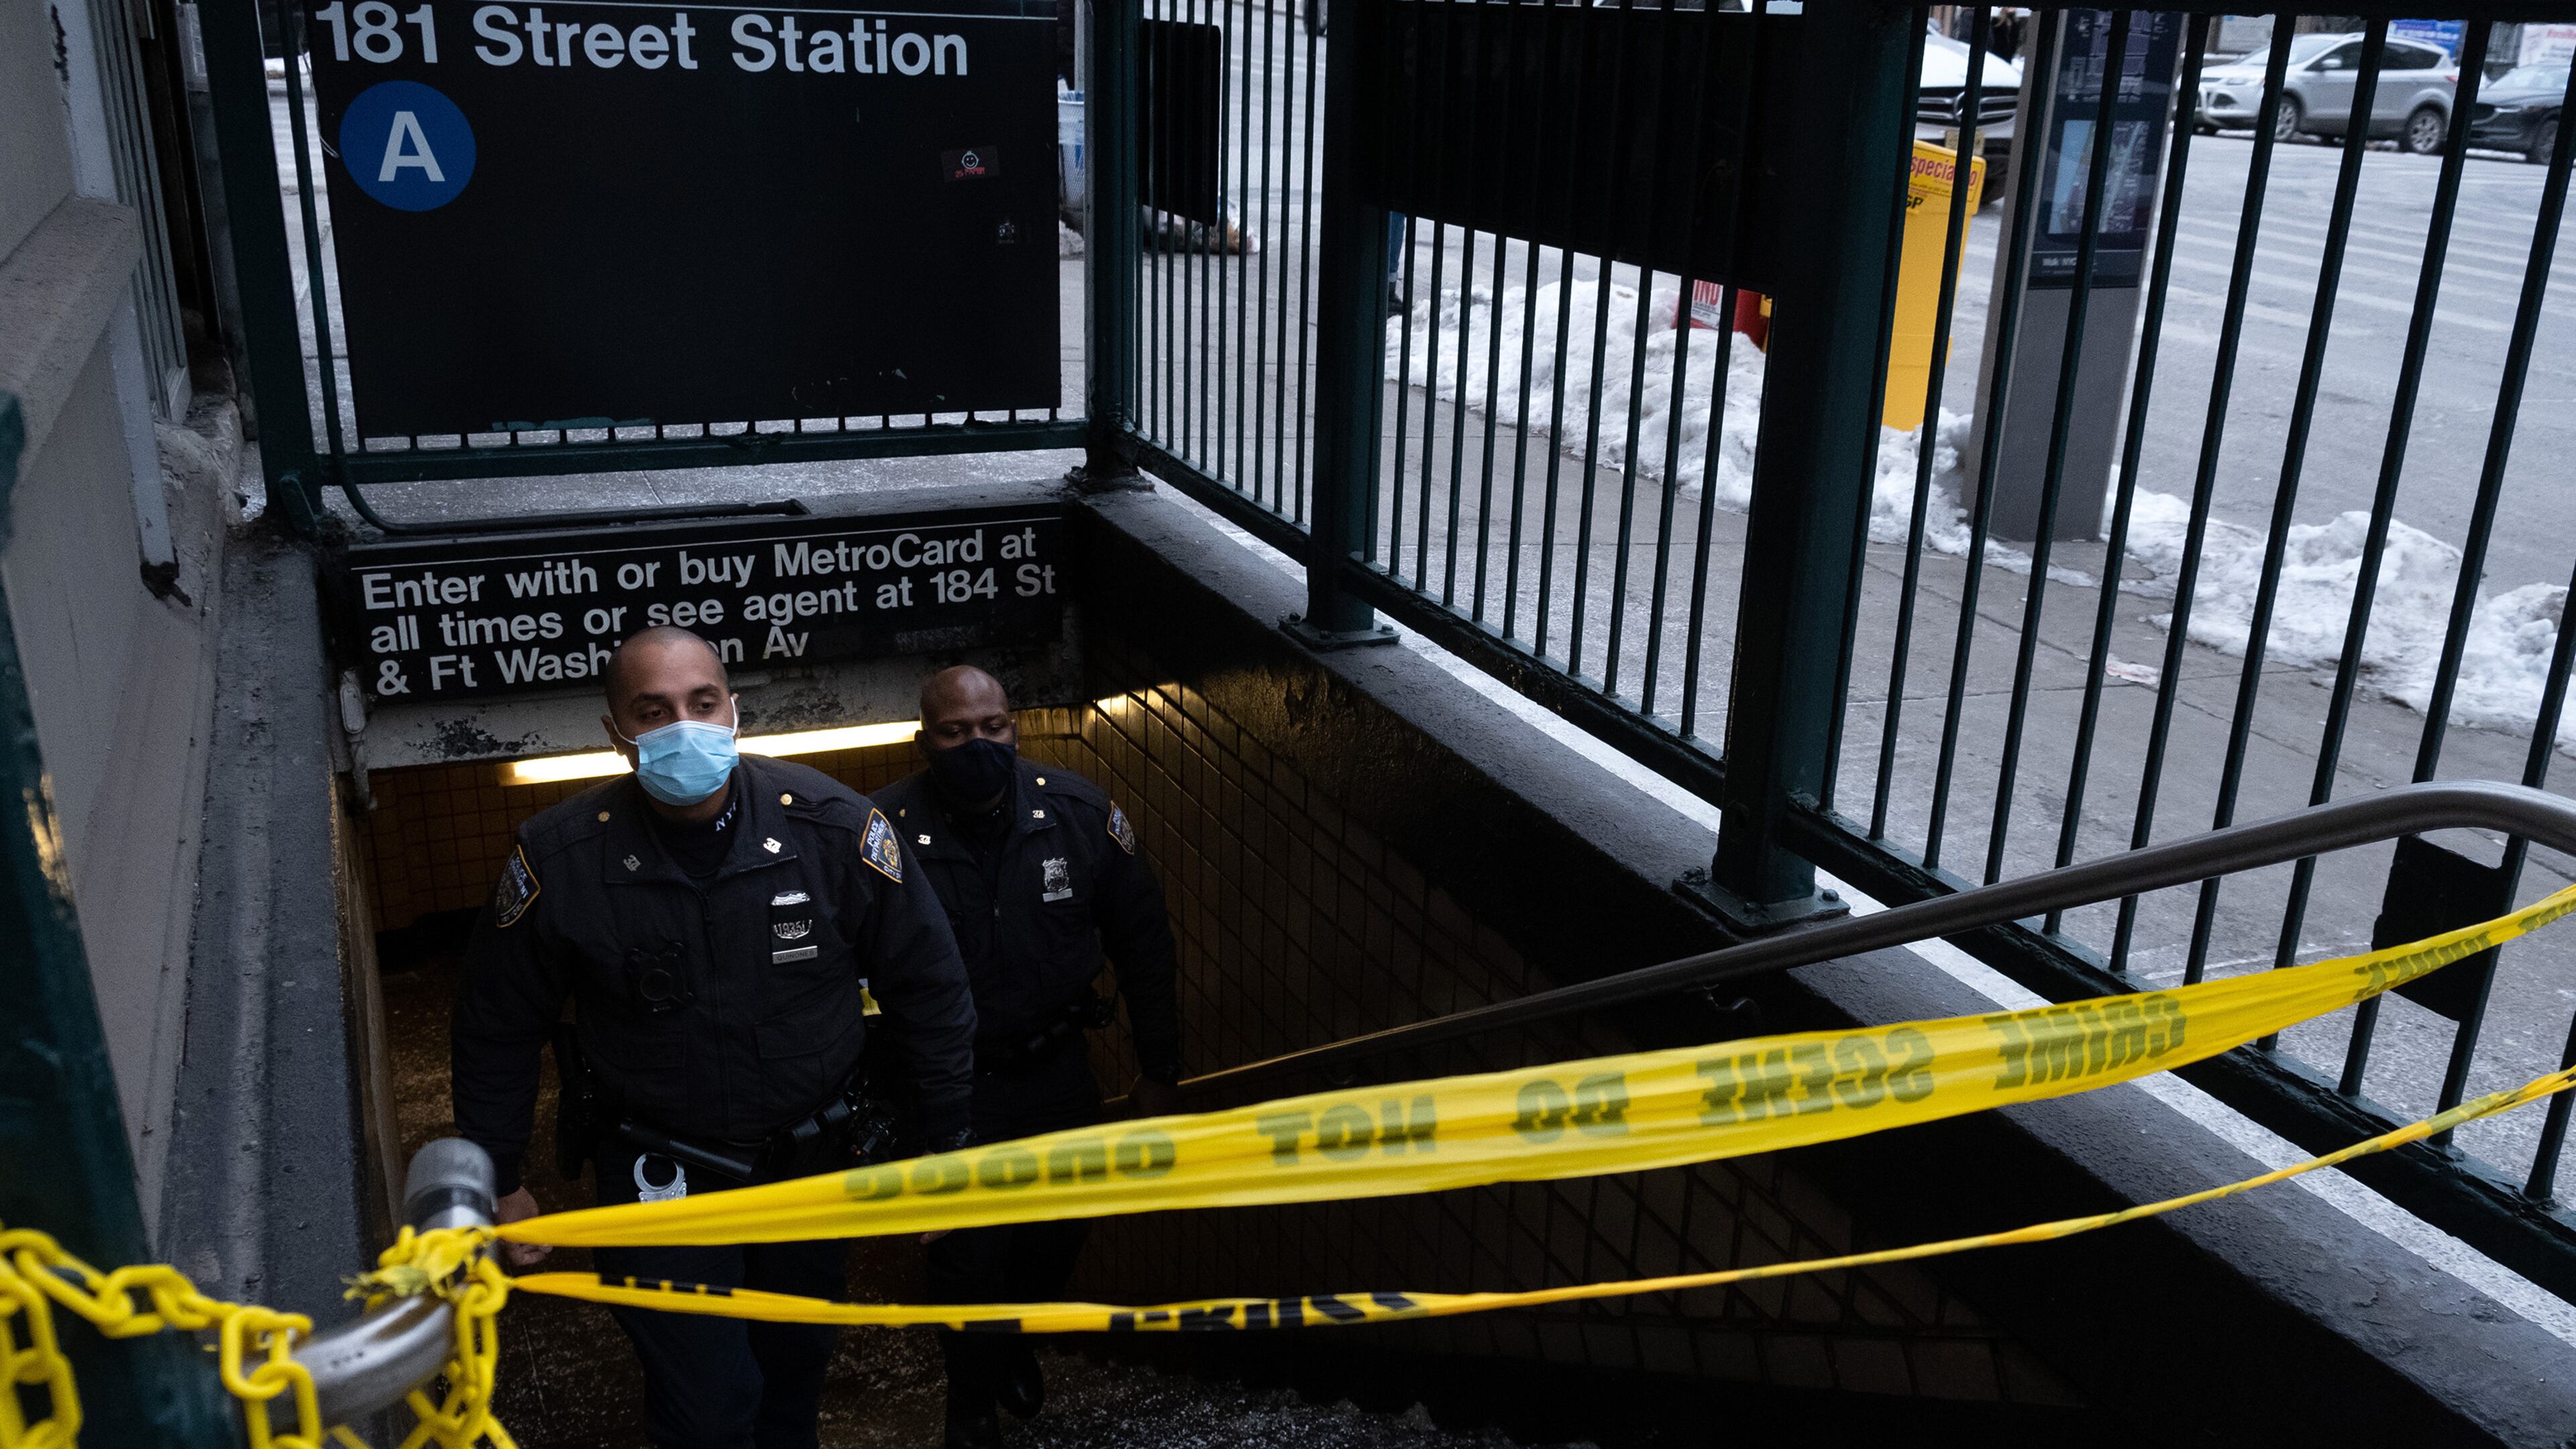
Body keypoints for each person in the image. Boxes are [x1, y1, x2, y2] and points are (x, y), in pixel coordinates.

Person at [451, 627, 979, 1449]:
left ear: (736, 711)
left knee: (793, 1377)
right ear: (616, 735)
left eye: (703, 703)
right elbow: (496, 1022)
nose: (685, 726)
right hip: (662, 1173)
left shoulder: (834, 830)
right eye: (653, 710)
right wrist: (499, 1171)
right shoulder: (562, 858)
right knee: (708, 1406)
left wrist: (946, 1146)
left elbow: (932, 990)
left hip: (808, 1171)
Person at [872, 666, 1183, 1449]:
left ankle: (1010, 1342)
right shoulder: (883, 832)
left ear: (1015, 728)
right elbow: (846, 975)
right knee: (967, 1257)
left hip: (1054, 1074)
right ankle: (970, 1403)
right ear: (924, 740)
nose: (978, 744)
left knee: (1057, 1234)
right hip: (948, 1087)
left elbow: (1144, 944)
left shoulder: (1076, 813)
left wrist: (1159, 1072)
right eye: (955, 732)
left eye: (993, 727)